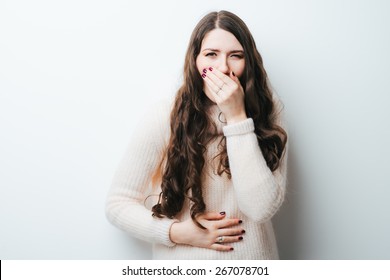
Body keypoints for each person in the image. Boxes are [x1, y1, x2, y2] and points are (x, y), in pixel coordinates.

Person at [105, 10, 288, 260]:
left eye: (235, 56)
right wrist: (178, 232)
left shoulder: (268, 112)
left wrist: (237, 118)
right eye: (211, 54)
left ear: (249, 63)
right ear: (195, 60)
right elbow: (117, 205)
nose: (223, 68)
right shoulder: (165, 116)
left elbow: (261, 208)